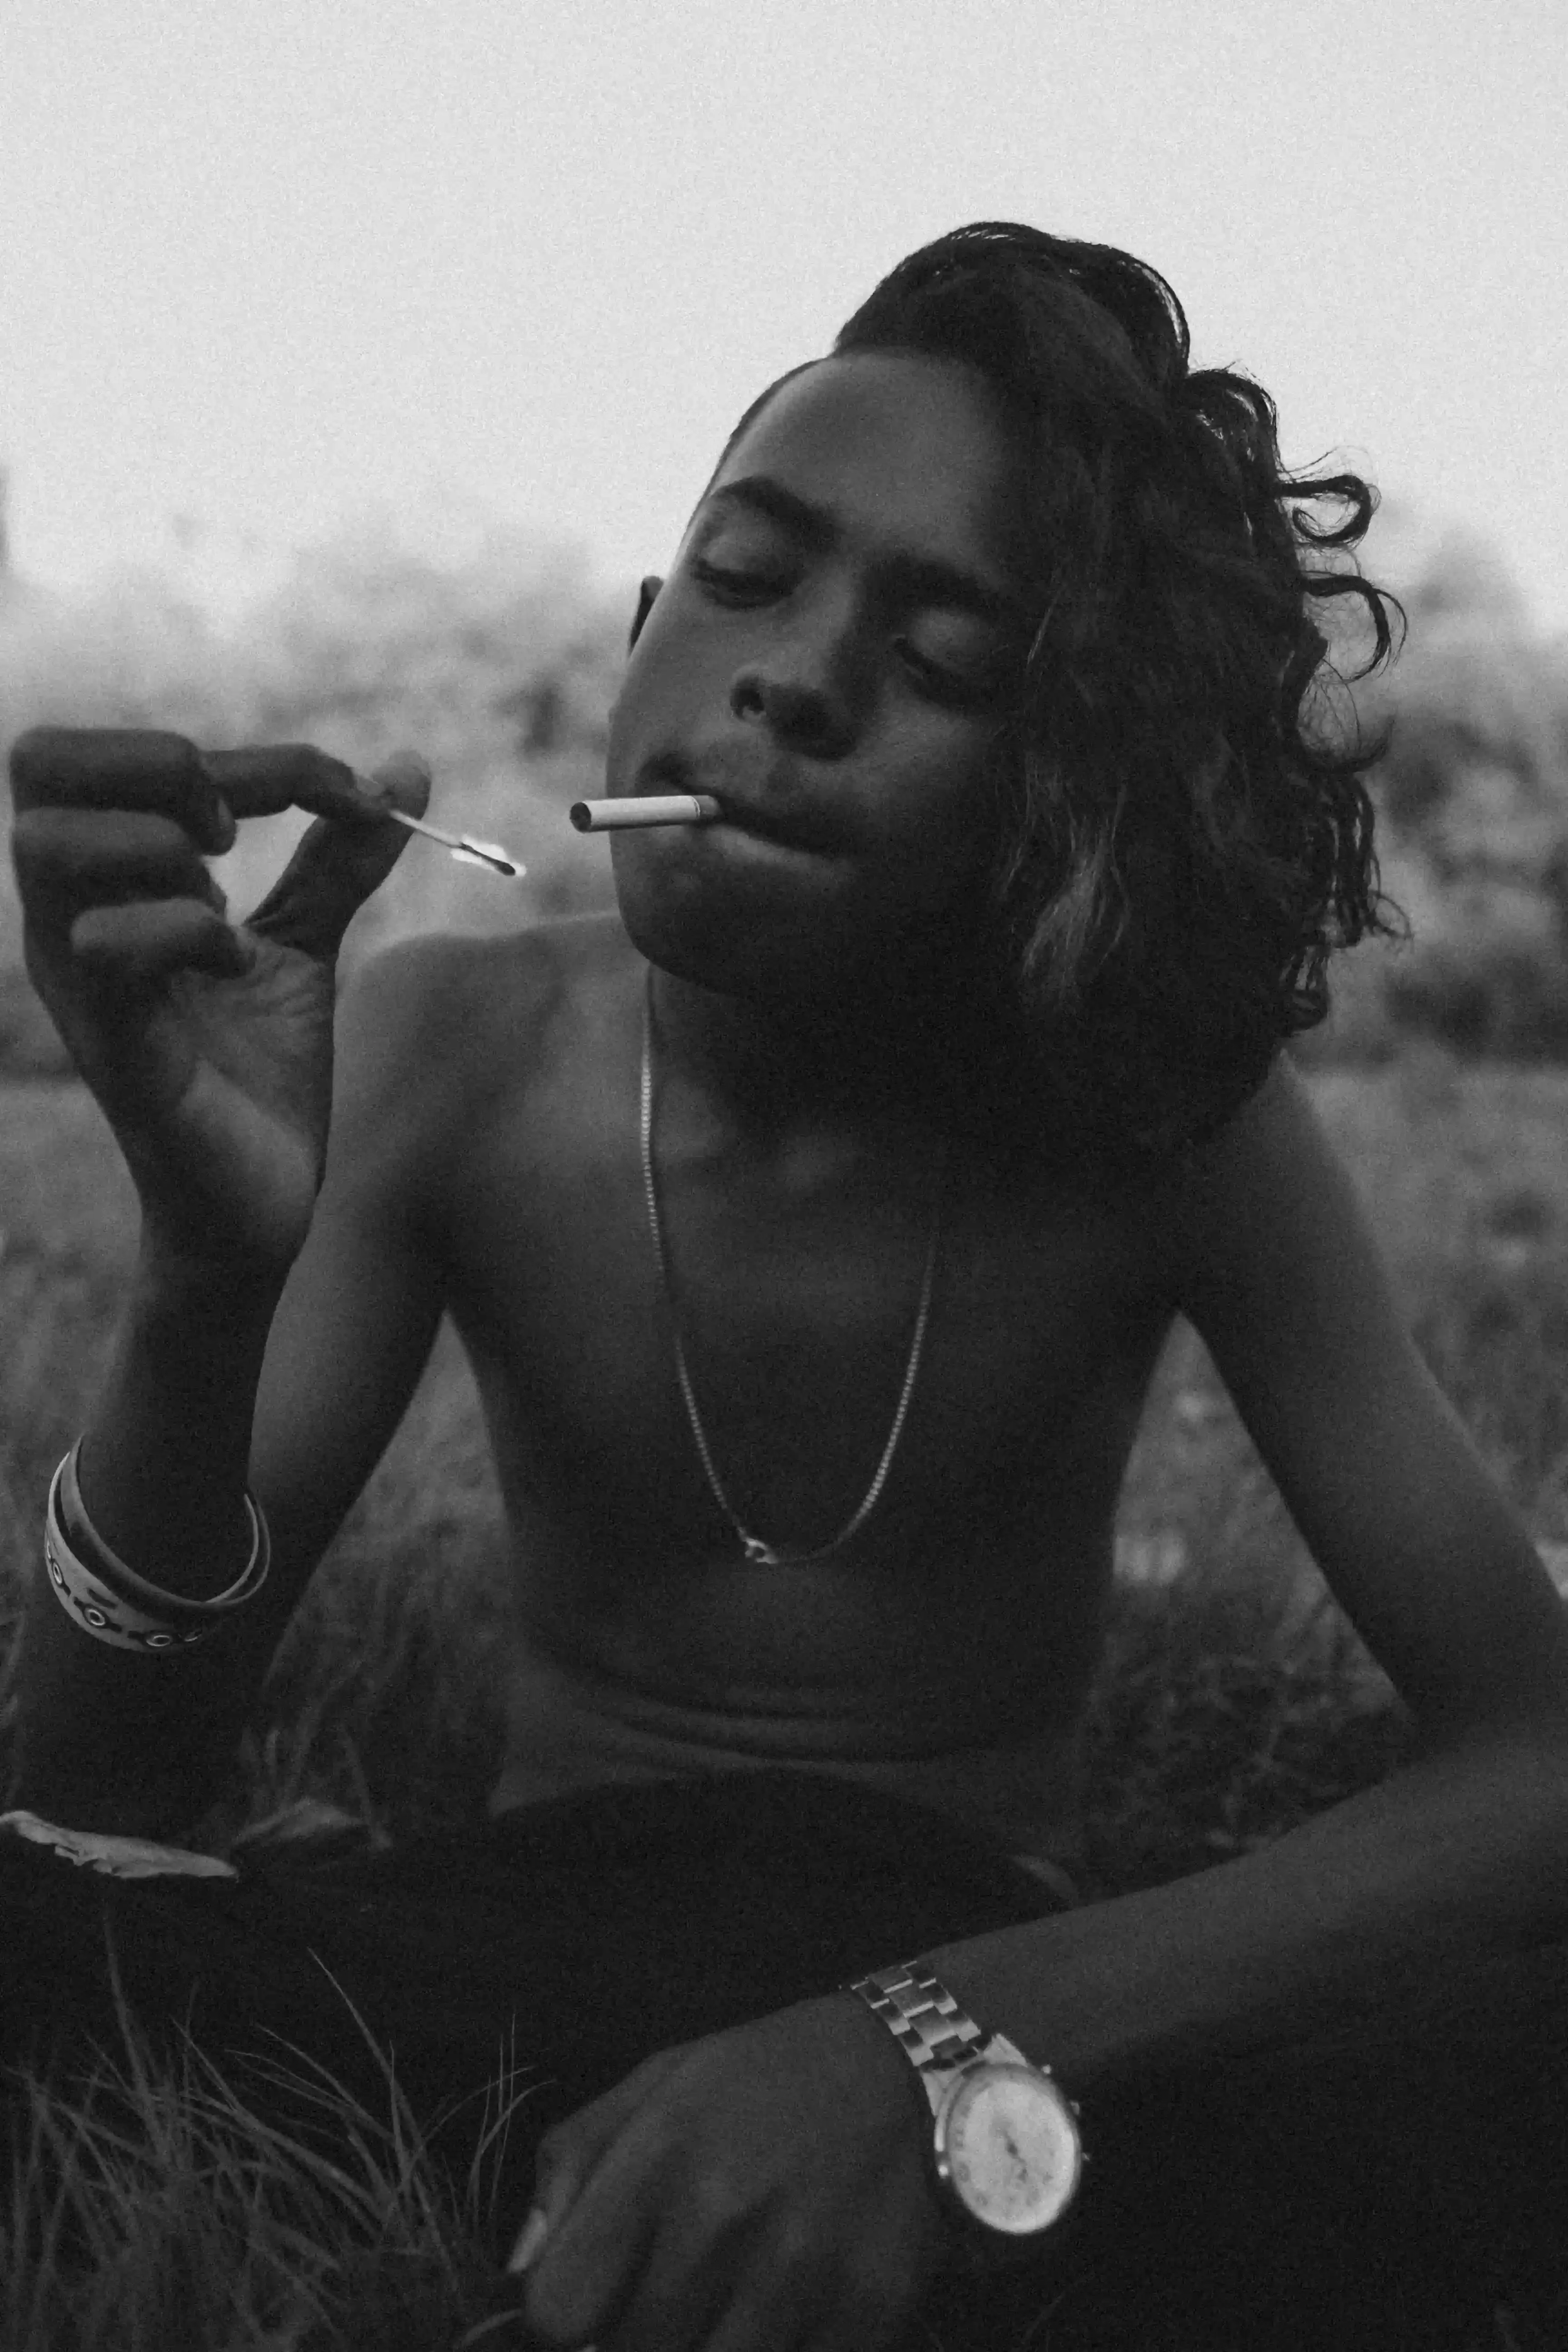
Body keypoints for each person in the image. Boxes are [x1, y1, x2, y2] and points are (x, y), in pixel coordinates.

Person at [6, 221, 1568, 2352]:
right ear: (647, 637)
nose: (797, 680)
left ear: (1052, 786)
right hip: (519, 1949)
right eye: (748, 574)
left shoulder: (1167, 1127)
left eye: (945, 666)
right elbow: (98, 1773)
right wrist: (203, 1285)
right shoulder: (455, 1053)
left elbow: (1542, 1762)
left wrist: (922, 2049)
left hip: (973, 1946)